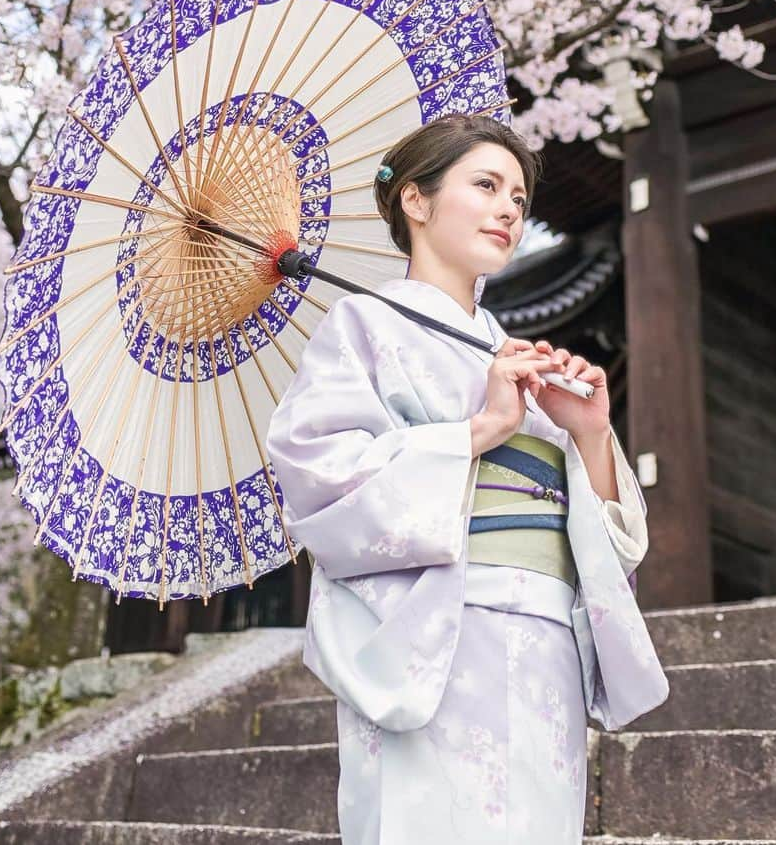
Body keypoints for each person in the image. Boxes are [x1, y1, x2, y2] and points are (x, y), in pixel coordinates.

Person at [265, 113, 669, 844]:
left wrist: (587, 435)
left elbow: (603, 546)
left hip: (546, 645)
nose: (510, 208)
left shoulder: (514, 355)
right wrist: (478, 430)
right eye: (485, 184)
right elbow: (317, 475)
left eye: (517, 195)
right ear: (415, 201)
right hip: (435, 639)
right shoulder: (363, 326)